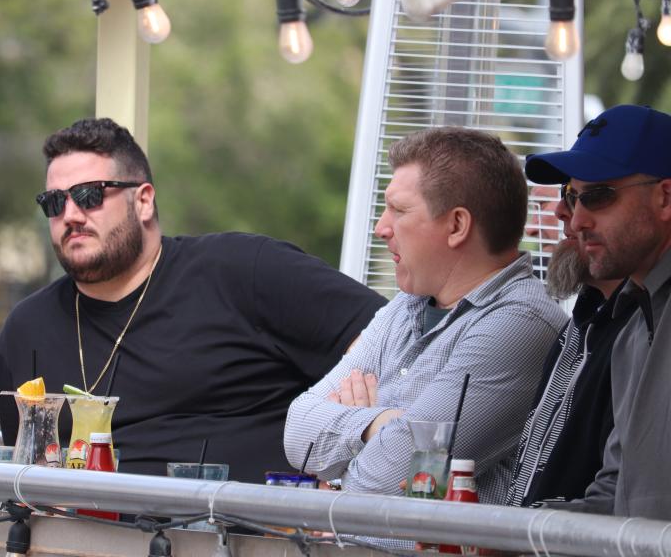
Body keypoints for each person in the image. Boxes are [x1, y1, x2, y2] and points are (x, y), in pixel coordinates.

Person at [0, 118, 387, 483]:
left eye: (88, 195)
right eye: (54, 203)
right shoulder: (26, 328)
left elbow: (394, 339)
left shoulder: (241, 270)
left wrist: (353, 419)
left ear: (143, 200)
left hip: (241, 537)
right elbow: (23, 476)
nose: (71, 215)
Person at [284, 127, 566, 504]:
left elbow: (390, 480)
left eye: (399, 210)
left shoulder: (520, 324)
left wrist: (337, 474)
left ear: (457, 226)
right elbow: (296, 431)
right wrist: (381, 423)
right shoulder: (405, 306)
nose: (381, 228)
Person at [524, 104, 671, 519]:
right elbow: (616, 494)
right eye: (572, 196)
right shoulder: (630, 331)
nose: (575, 219)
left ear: (665, 198)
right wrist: (507, 535)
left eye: (599, 196)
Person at [505, 185, 633, 507]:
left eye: (582, 196)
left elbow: (617, 500)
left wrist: (512, 535)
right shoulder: (581, 320)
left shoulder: (642, 331)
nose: (565, 214)